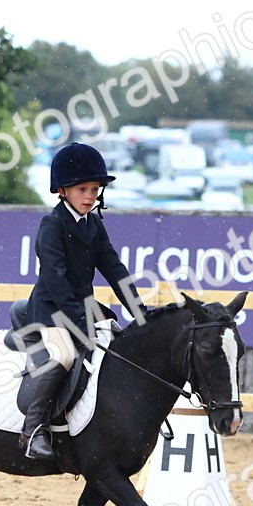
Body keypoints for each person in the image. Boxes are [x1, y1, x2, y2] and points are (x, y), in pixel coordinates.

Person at [18, 142, 147, 459]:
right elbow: (56, 279)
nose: (89, 196)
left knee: (118, 346)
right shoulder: (52, 225)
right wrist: (77, 322)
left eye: (94, 189)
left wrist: (141, 313)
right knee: (63, 357)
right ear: (62, 191)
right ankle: (33, 429)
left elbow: (115, 270)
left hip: (84, 309)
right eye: (82, 189)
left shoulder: (94, 225)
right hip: (50, 310)